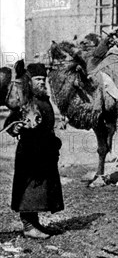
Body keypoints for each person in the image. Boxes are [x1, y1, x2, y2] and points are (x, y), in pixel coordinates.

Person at [4, 63, 64, 238]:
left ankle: (35, 223)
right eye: (37, 79)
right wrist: (14, 128)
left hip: (45, 151)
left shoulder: (44, 99)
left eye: (43, 79)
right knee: (29, 190)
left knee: (42, 190)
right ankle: (29, 226)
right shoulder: (24, 100)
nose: (41, 82)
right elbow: (10, 122)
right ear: (29, 82)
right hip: (29, 153)